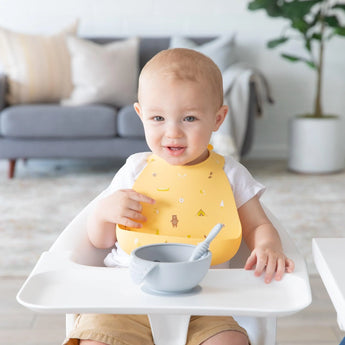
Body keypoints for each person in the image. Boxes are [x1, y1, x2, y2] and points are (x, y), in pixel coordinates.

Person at [64, 48, 294, 345]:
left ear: (218, 118)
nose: (172, 132)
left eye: (189, 118)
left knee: (229, 342)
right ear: (140, 115)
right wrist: (104, 212)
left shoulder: (231, 174)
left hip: (205, 300)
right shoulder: (134, 170)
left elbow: (257, 225)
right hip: (125, 298)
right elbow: (99, 241)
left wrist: (267, 247)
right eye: (158, 117)